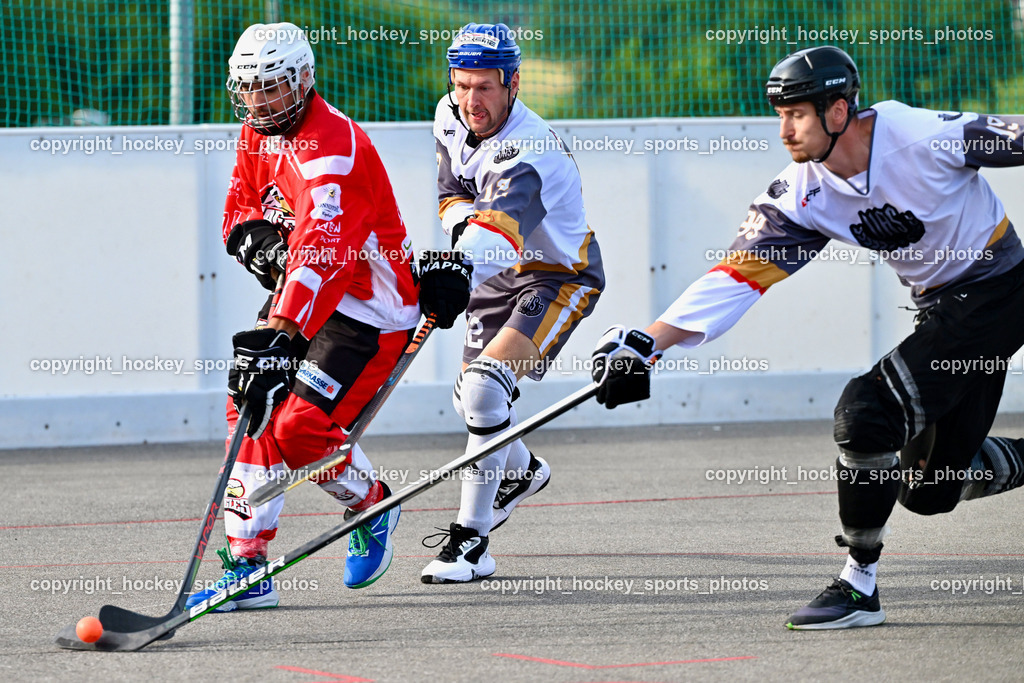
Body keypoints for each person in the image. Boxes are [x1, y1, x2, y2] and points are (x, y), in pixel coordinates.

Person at [591, 45, 1024, 629]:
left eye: (797, 112)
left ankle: (858, 586)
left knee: (866, 412)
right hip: (944, 314)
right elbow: (738, 275)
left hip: (1001, 290)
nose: (785, 128)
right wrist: (647, 342)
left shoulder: (921, 137)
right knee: (929, 489)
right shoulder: (801, 195)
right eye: (779, 114)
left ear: (839, 111)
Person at [185, 22, 424, 611]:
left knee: (295, 429)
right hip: (308, 288)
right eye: (249, 88)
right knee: (251, 401)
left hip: (370, 307)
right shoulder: (258, 129)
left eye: (272, 86)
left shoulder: (334, 153)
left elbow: (324, 251)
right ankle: (248, 565)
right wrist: (254, 238)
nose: (260, 101)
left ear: (304, 80)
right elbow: (241, 201)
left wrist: (283, 329)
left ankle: (370, 502)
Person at [418, 23, 605, 583]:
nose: (472, 101)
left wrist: (459, 260)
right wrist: (460, 245)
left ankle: (471, 544)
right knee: (476, 407)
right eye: (463, 85)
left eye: (486, 88)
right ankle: (520, 471)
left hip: (556, 277)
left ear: (513, 83)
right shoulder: (447, 115)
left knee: (483, 389)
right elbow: (453, 195)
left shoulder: (530, 151)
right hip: (493, 272)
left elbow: (499, 229)